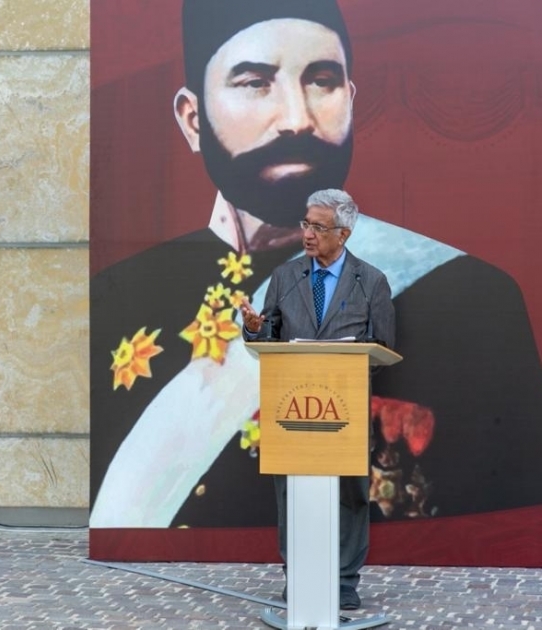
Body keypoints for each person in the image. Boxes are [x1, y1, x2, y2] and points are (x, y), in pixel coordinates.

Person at [89, 0, 542, 570]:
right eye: (255, 83)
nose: (297, 118)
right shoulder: (119, 293)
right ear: (193, 118)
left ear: (352, 98)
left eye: (322, 82)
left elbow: (504, 519)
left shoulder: (474, 296)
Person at [240, 189, 394, 610]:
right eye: (305, 224)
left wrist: (341, 364)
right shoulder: (286, 278)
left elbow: (382, 348)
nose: (307, 234)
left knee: (350, 492)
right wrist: (255, 327)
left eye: (318, 227)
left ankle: (344, 579)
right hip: (292, 406)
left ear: (342, 234)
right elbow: (268, 334)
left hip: (343, 408)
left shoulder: (373, 282)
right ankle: (299, 573)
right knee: (291, 490)